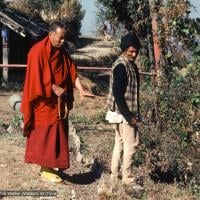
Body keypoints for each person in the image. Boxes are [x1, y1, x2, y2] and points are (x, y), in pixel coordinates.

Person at [20, 21, 94, 183]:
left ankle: (51, 166)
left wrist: (81, 90)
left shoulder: (61, 52)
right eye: (60, 38)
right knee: (45, 134)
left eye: (64, 39)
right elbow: (36, 78)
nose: (62, 42)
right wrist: (54, 88)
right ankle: (44, 168)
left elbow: (71, 71)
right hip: (43, 102)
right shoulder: (37, 51)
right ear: (51, 34)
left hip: (59, 103)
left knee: (58, 134)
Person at [106, 32, 141, 186]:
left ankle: (114, 175)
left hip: (120, 113)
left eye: (136, 51)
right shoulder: (122, 66)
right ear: (124, 49)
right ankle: (127, 178)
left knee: (119, 143)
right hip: (123, 113)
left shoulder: (128, 64)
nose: (133, 54)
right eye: (131, 51)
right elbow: (118, 94)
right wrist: (128, 115)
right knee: (132, 143)